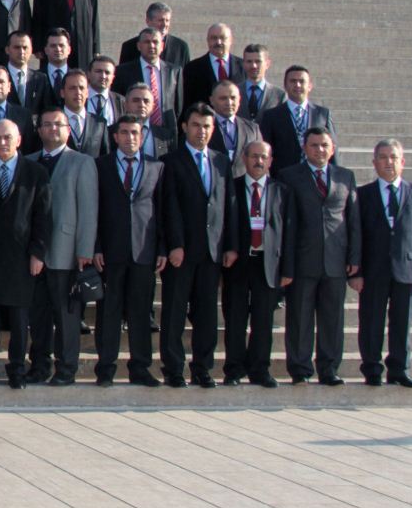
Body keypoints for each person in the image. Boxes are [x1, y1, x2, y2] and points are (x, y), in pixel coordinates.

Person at [279, 126, 360, 385]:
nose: (319, 150)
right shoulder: (289, 176)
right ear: (305, 148)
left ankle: (329, 368)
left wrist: (354, 258)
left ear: (332, 148)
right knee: (299, 318)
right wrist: (287, 265)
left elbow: (353, 221)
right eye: (314, 145)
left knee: (332, 319)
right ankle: (300, 368)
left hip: (336, 261)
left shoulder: (345, 177)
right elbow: (286, 225)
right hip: (303, 260)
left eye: (324, 145)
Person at [158, 103, 231, 388]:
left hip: (212, 252)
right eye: (197, 125)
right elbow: (169, 208)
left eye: (207, 127)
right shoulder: (170, 161)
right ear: (185, 127)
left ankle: (203, 368)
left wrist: (230, 246)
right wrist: (174, 245)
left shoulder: (221, 161)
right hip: (182, 252)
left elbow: (227, 206)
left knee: (206, 315)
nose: (202, 132)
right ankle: (173, 368)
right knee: (174, 312)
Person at [0, 119, 51, 389]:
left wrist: (38, 253)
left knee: (19, 322)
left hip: (21, 259)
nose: (2, 143)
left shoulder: (35, 172)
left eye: (7, 137)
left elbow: (43, 216)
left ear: (18, 140)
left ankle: (17, 370)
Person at [24, 109, 98, 386]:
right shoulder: (28, 161)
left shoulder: (81, 163)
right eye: (47, 125)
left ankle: (66, 367)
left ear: (68, 129)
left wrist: (85, 250)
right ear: (39, 130)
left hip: (66, 252)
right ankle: (39, 365)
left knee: (66, 314)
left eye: (58, 124)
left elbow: (88, 210)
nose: (52, 129)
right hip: (34, 254)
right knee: (38, 314)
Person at [93, 115, 166, 387]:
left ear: (143, 135)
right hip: (111, 252)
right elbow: (95, 208)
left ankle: (140, 367)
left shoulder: (157, 168)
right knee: (109, 312)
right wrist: (96, 246)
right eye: (124, 132)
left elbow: (161, 211)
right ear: (115, 136)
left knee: (140, 312)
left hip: (144, 252)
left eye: (135, 132)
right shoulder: (101, 166)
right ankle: (106, 368)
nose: (129, 137)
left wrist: (161, 247)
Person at [356, 138, 412, 388]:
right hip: (373, 269)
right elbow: (356, 234)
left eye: (393, 157)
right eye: (383, 157)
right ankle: (372, 369)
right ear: (374, 162)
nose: (388, 162)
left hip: (407, 268)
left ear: (402, 162)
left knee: (402, 322)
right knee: (371, 322)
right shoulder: (362, 194)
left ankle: (400, 369)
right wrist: (355, 270)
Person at [221, 140, 288, 387]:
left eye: (264, 157)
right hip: (239, 263)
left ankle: (260, 369)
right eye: (254, 156)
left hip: (268, 264)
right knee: (235, 318)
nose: (259, 161)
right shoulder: (232, 188)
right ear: (244, 159)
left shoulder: (282, 191)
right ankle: (234, 369)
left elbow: (288, 231)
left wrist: (287, 268)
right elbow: (224, 223)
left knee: (263, 321)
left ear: (270, 161)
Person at [259, 65, 336, 177]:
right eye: (293, 81)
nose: (297, 85)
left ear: (310, 86)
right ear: (285, 86)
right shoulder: (271, 116)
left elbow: (332, 147)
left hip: (316, 178)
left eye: (302, 81)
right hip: (283, 178)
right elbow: (266, 149)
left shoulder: (323, 114)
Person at [112, 28, 181, 129]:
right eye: (147, 42)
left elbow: (178, 106)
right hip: (133, 130)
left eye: (155, 42)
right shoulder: (122, 71)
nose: (151, 46)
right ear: (139, 46)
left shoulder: (174, 71)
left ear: (162, 46)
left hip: (165, 134)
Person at [182, 22, 245, 111]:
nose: (218, 42)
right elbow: (187, 102)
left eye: (222, 38)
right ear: (208, 40)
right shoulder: (192, 68)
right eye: (214, 38)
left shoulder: (244, 66)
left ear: (231, 40)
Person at [208, 80, 261, 176]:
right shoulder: (203, 127)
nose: (229, 103)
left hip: (242, 186)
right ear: (212, 100)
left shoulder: (253, 129)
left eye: (233, 98)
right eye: (223, 98)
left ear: (239, 100)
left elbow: (261, 160)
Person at [117, 2, 191, 67]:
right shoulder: (129, 47)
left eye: (167, 20)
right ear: (148, 21)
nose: (165, 24)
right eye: (160, 20)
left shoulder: (181, 47)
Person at [239, 43, 286, 122]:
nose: (253, 66)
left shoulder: (279, 95)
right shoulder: (234, 92)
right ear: (243, 64)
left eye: (258, 61)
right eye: (249, 61)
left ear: (267, 64)